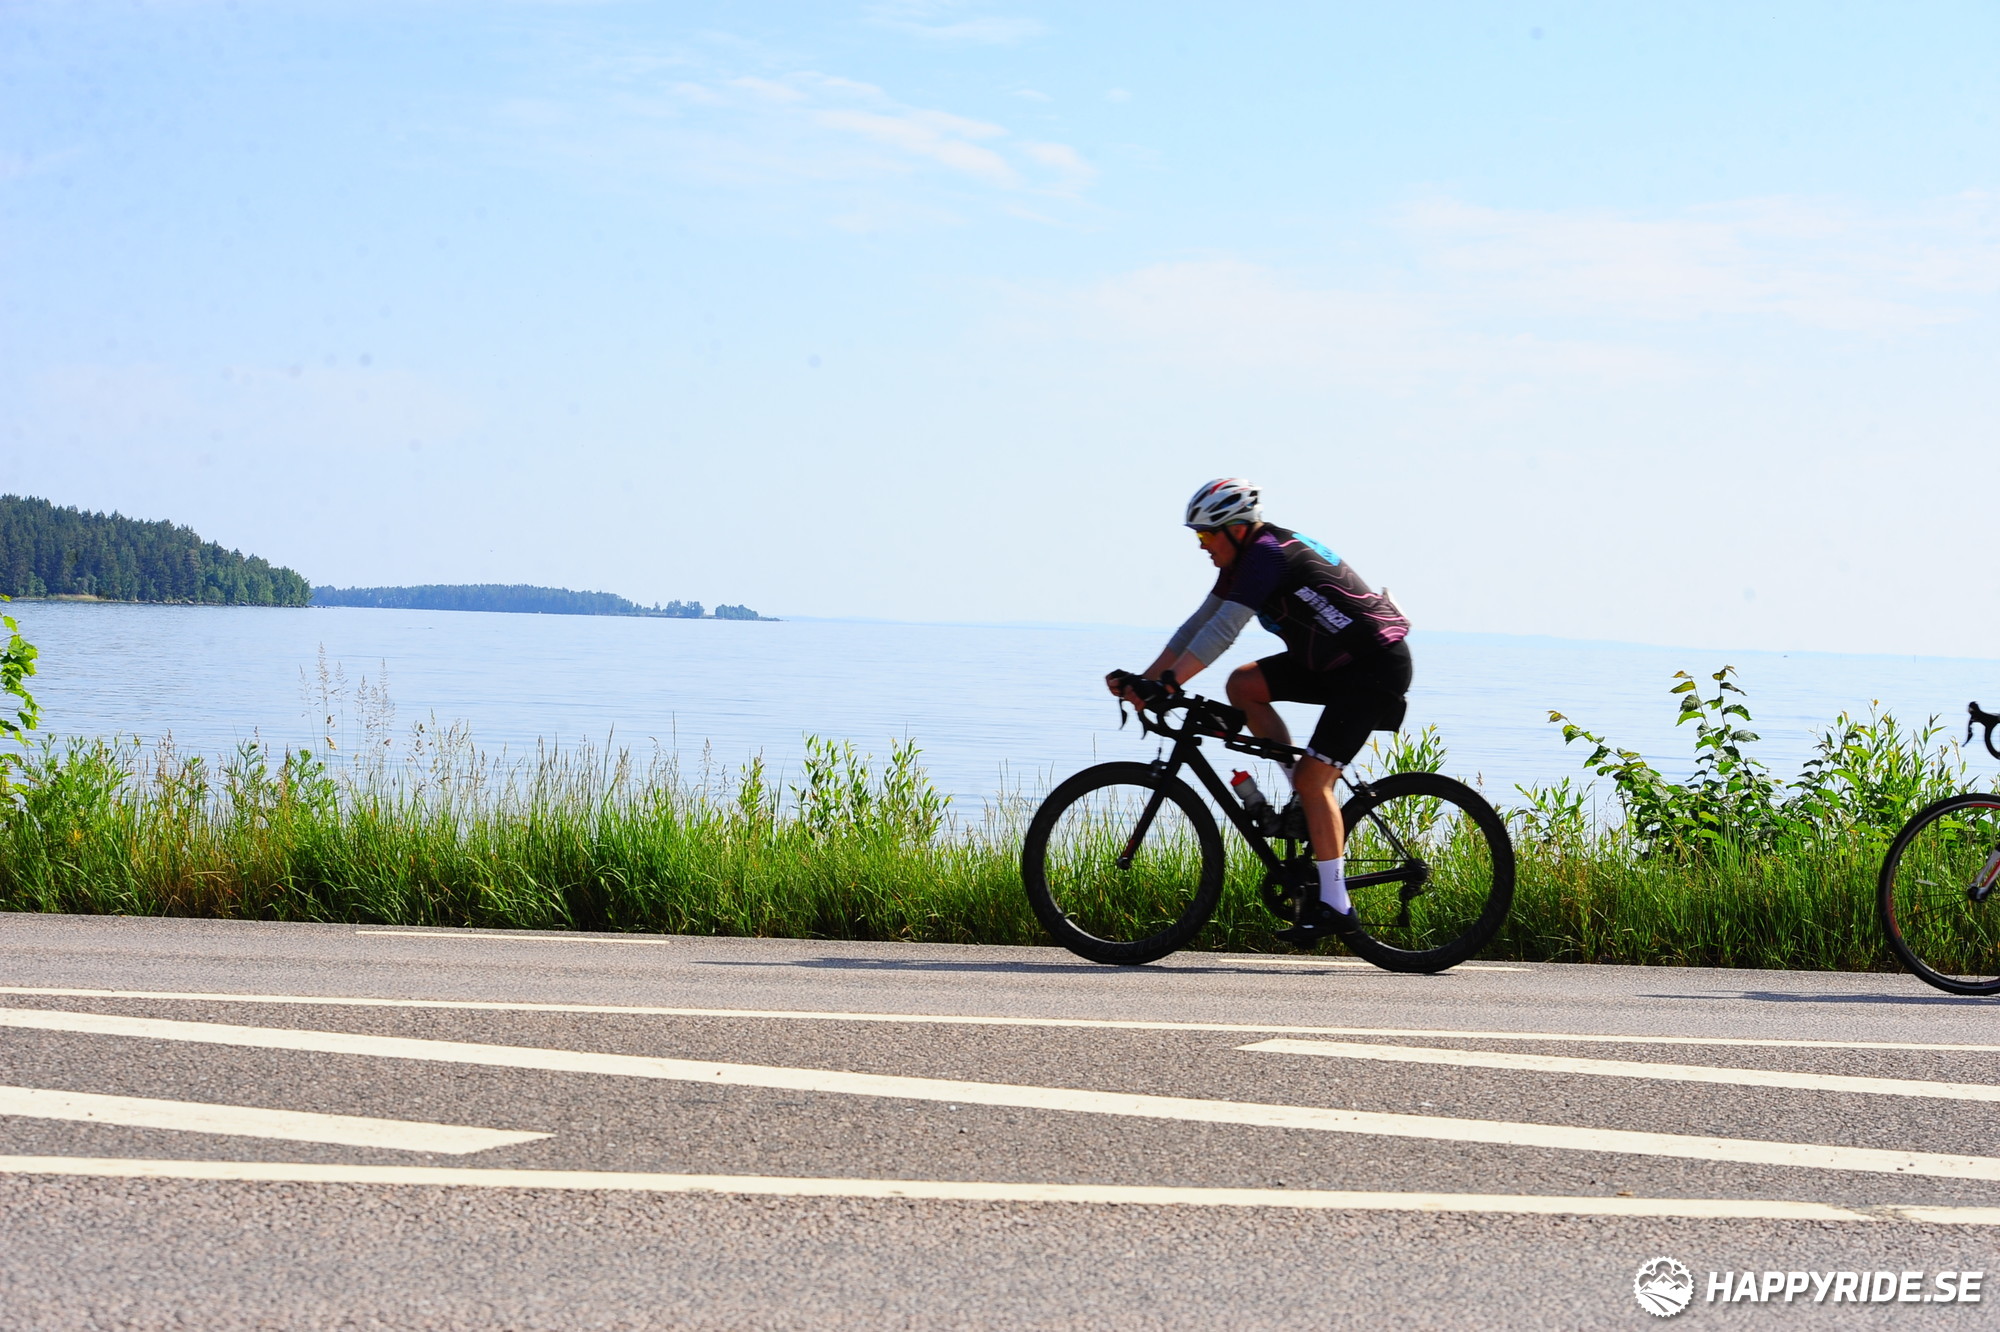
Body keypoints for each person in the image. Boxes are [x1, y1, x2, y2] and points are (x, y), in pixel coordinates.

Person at [1106, 478, 1412, 943]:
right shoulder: (1243, 559)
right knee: (1243, 686)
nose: (1201, 545)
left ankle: (1336, 905)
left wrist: (1168, 684)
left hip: (1372, 667)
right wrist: (1146, 682)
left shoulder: (1267, 555)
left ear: (1235, 529)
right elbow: (1197, 625)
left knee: (1316, 780)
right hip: (1333, 662)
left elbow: (1223, 631)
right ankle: (1301, 803)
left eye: (1206, 535)